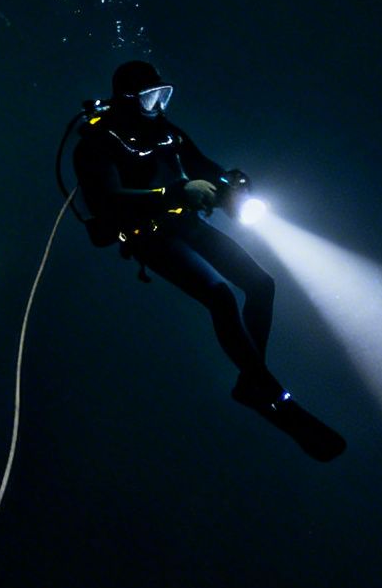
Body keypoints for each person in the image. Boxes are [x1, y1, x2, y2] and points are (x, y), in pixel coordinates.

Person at [73, 60, 289, 413]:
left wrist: (230, 184)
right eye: (150, 98)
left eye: (164, 95)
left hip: (185, 223)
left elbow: (201, 164)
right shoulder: (98, 143)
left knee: (262, 285)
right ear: (128, 99)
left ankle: (252, 380)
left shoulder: (167, 132)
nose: (159, 106)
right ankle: (262, 383)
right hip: (147, 235)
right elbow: (109, 200)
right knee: (220, 295)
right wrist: (175, 193)